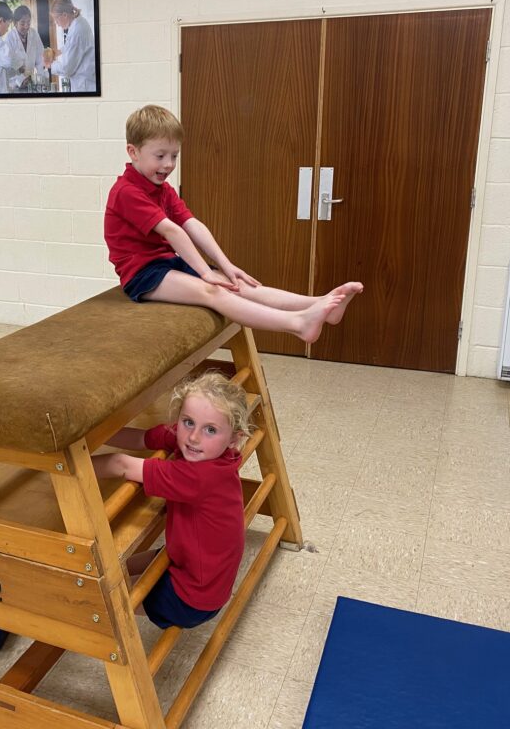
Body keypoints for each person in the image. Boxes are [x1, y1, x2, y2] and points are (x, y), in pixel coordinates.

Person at [105, 104, 363, 344]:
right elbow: (173, 231)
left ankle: (320, 303)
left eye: (174, 155)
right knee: (213, 292)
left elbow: (192, 224)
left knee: (239, 284)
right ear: (133, 152)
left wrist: (226, 266)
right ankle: (297, 323)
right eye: (160, 156)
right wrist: (206, 274)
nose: (169, 164)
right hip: (142, 275)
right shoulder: (126, 191)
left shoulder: (162, 189)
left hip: (167, 263)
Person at [91, 372, 248, 629]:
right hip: (194, 567)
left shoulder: (201, 476)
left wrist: (65, 472)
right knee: (116, 569)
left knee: (106, 604)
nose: (194, 437)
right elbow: (141, 438)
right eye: (188, 422)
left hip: (191, 600)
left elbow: (120, 464)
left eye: (210, 430)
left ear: (234, 438)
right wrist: (95, 435)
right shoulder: (203, 447)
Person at [43, 0, 96, 92]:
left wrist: (50, 65)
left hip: (85, 86)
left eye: (56, 19)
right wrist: (59, 51)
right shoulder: (79, 22)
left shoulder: (77, 30)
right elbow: (73, 46)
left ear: (64, 15)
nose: (57, 23)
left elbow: (67, 69)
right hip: (85, 83)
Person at [6, 5, 46, 90]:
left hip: (31, 83)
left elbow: (40, 59)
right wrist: (20, 80)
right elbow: (9, 66)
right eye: (22, 23)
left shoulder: (34, 34)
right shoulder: (10, 38)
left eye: (28, 22)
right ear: (15, 23)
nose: (26, 26)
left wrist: (40, 80)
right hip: (14, 85)